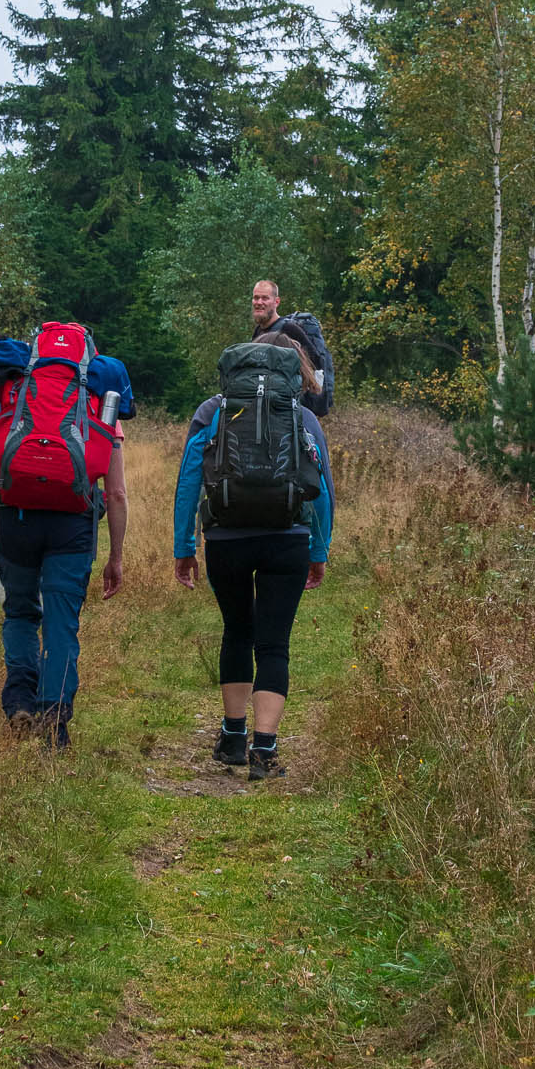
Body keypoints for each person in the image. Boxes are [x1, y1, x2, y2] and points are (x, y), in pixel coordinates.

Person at [172, 331, 333, 781]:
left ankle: (231, 736)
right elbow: (322, 493)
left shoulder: (212, 411)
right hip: (288, 537)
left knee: (237, 632)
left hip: (226, 538)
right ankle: (264, 749)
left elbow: (189, 480)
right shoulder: (301, 416)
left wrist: (184, 546)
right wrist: (318, 549)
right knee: (274, 644)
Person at [0, 331, 128, 749]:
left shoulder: (14, 385)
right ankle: (54, 720)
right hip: (73, 522)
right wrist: (115, 556)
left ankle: (20, 701)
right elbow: (114, 492)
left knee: (21, 613)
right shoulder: (98, 393)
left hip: (16, 516)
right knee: (62, 622)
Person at [250, 279, 331, 415]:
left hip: (291, 409)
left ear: (276, 302)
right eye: (256, 298)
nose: (259, 302)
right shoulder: (258, 332)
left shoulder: (289, 329)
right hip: (267, 405)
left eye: (265, 298)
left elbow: (314, 365)